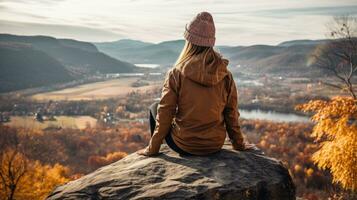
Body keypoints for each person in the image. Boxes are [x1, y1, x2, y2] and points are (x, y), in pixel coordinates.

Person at [137, 11, 255, 156]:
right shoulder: (225, 75)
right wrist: (239, 144)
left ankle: (156, 150)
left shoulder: (177, 73)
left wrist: (152, 148)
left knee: (154, 108)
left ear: (189, 42)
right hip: (214, 145)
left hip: (184, 145)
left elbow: (165, 113)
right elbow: (231, 114)